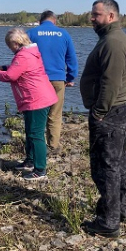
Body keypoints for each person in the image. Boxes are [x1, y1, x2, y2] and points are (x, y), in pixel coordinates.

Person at [79, 0, 126, 238]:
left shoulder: (112, 42)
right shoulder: (111, 39)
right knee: (118, 162)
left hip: (110, 113)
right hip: (116, 110)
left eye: (96, 14)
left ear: (111, 16)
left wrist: (99, 111)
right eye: (92, 14)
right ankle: (121, 210)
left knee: (105, 166)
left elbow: (111, 83)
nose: (92, 18)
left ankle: (108, 222)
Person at [0, 28, 58, 181]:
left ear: (16, 42)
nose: (9, 48)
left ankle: (40, 170)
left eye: (10, 45)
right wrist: (4, 67)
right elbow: (18, 70)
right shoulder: (29, 53)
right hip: (36, 98)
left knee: (36, 134)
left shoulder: (24, 55)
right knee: (30, 131)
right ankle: (30, 161)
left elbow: (11, 76)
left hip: (36, 99)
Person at [27, 10, 78, 153]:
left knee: (37, 115)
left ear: (40, 21)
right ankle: (53, 146)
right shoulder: (64, 34)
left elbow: (22, 56)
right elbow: (72, 59)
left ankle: (36, 148)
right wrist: (70, 78)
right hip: (58, 79)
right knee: (55, 114)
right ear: (54, 21)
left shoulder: (31, 33)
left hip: (38, 80)